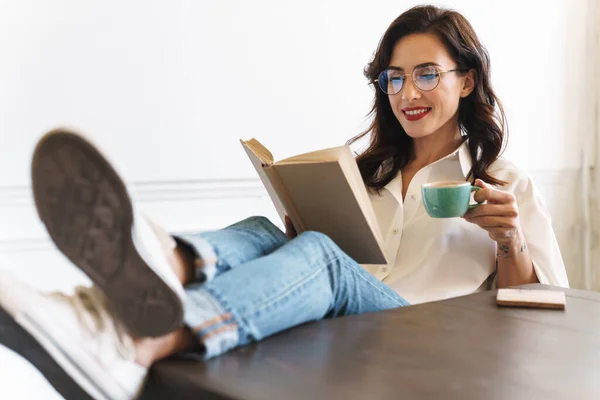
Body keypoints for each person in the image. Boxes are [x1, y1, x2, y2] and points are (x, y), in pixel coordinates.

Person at [0, 4, 569, 400]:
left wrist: (510, 242)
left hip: (413, 329)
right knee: (266, 230)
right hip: (344, 315)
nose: (407, 93)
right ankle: (157, 265)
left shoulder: (503, 181)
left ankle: (136, 345)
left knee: (321, 255)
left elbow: (547, 307)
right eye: (393, 79)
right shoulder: (370, 175)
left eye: (426, 75)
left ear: (467, 81)